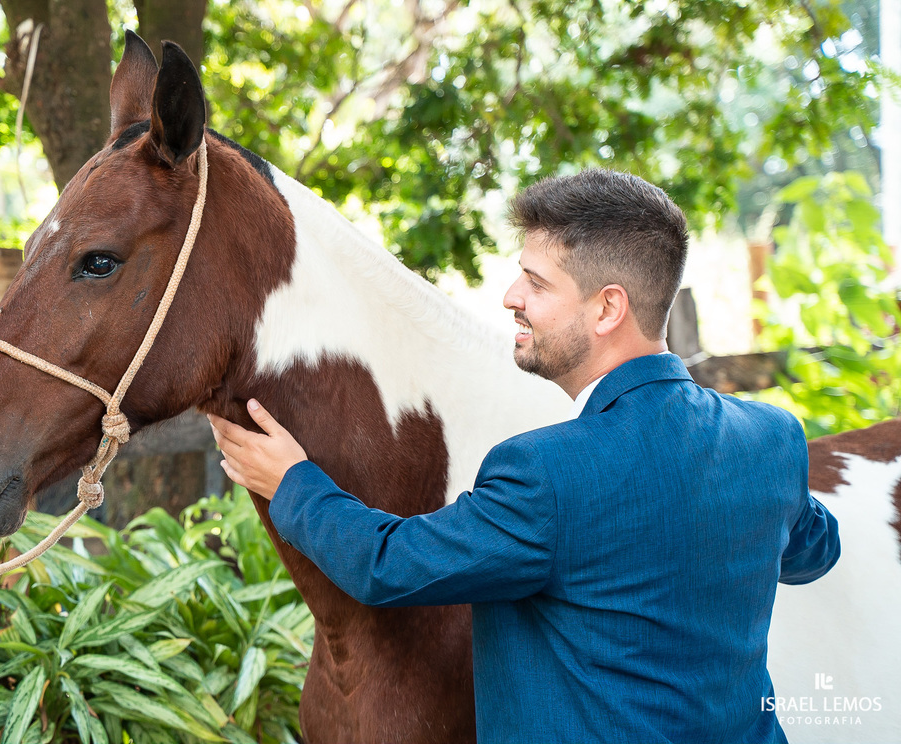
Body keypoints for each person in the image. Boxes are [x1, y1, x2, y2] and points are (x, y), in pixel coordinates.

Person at [207, 168, 840, 744]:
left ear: (607, 308)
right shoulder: (770, 440)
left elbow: (387, 565)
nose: (511, 295)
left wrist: (292, 482)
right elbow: (814, 551)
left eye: (536, 283)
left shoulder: (545, 473)